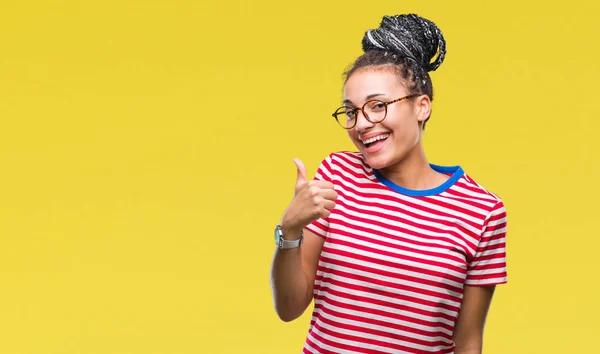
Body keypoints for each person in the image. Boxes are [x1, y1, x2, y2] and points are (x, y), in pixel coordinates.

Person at [270, 13, 507, 354]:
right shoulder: (337, 175)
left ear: (421, 106)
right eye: (351, 111)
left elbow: (468, 341)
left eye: (378, 106)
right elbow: (289, 308)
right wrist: (289, 231)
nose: (362, 124)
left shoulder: (482, 211)